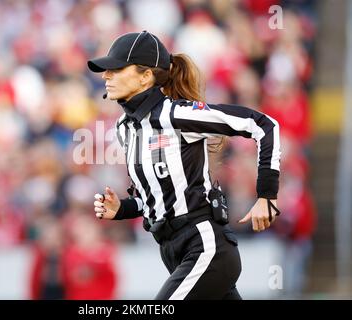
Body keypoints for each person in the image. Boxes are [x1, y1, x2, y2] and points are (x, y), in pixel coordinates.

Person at [89, 31, 281, 300]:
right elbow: (158, 197)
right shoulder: (124, 128)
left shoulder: (178, 114)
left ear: (146, 76)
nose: (106, 76)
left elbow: (264, 124)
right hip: (173, 252)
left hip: (205, 246)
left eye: (117, 68)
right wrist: (123, 209)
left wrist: (266, 195)